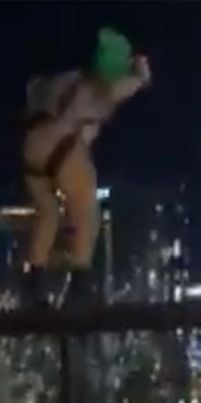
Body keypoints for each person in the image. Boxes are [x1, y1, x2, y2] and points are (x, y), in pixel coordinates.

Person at [21, 27, 151, 309]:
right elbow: (136, 82)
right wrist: (139, 70)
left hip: (32, 146)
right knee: (86, 210)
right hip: (63, 143)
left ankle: (33, 277)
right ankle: (80, 282)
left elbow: (34, 90)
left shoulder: (64, 80)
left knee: (48, 214)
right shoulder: (101, 88)